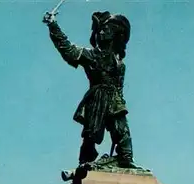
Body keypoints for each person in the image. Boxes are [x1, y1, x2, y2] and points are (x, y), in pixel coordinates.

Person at [43, 10, 135, 168]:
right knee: (90, 137)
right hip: (97, 99)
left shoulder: (120, 63)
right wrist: (53, 25)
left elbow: (119, 86)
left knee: (124, 141)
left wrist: (120, 101)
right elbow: (68, 50)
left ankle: (118, 161)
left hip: (115, 101)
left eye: (106, 29)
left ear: (115, 34)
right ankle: (85, 164)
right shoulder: (91, 55)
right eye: (100, 29)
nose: (101, 32)